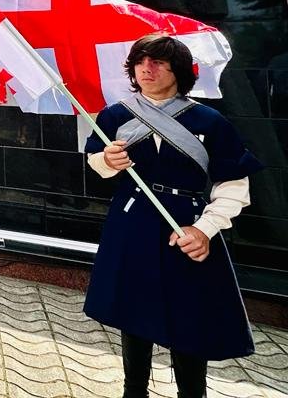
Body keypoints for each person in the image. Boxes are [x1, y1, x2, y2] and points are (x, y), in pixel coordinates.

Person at [84, 34, 263, 398]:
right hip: (131, 221)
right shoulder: (115, 115)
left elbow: (234, 185)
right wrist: (107, 160)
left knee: (189, 313)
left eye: (158, 62)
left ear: (178, 70)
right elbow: (95, 162)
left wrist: (204, 229)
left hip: (186, 225)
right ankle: (134, 390)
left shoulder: (209, 121)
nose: (146, 69)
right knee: (132, 309)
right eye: (140, 62)